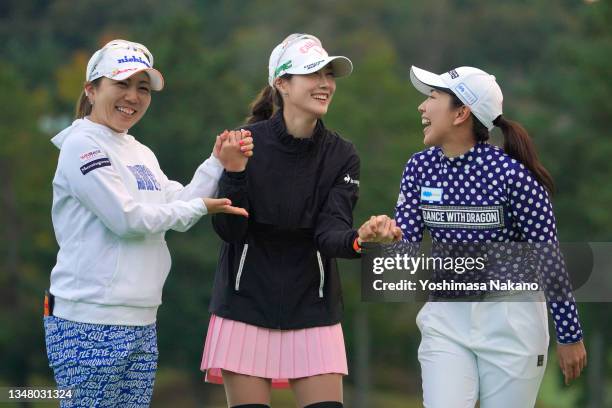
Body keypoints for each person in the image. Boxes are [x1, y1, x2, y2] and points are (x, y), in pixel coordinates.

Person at [43, 39, 253, 407]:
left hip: (140, 318)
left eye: (143, 88)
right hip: (90, 318)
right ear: (91, 90)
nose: (134, 96)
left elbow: (177, 202)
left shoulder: (138, 151)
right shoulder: (83, 145)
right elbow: (127, 219)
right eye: (122, 84)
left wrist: (217, 162)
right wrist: (200, 208)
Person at [200, 33, 401, 408]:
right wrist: (235, 173)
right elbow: (229, 230)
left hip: (314, 308)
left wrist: (361, 238)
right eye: (313, 73)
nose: (325, 83)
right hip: (245, 306)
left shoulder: (342, 154)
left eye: (329, 74)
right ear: (282, 83)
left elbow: (331, 232)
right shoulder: (243, 143)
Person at [394, 65, 587, 407]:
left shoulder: (515, 177)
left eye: (433, 97)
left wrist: (570, 336)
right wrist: (384, 238)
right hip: (446, 319)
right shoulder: (418, 167)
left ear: (461, 113)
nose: (422, 107)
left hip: (512, 323)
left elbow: (549, 259)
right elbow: (405, 249)